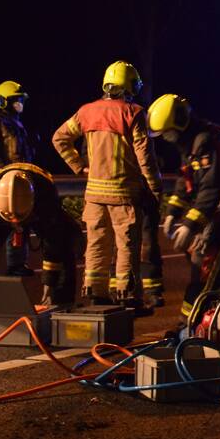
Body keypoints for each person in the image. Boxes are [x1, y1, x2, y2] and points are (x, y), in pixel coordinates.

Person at [148, 93, 220, 328]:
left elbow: (210, 189)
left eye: (168, 133)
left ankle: (188, 325)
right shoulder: (191, 140)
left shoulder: (206, 140)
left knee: (208, 261)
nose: (167, 139)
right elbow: (186, 179)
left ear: (180, 123)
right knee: (209, 260)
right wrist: (173, 211)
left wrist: (190, 226)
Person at [52, 61, 161, 310]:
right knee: (126, 247)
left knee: (97, 243)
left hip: (94, 195)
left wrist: (79, 166)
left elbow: (59, 139)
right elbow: (145, 156)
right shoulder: (133, 113)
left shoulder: (86, 111)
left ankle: (95, 293)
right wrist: (155, 189)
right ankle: (127, 295)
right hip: (124, 195)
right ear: (128, 85)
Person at [0, 164, 82, 309]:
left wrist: (50, 282)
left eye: (19, 217)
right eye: (10, 217)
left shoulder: (45, 194)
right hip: (1, 216)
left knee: (65, 241)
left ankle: (60, 305)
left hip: (36, 210)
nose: (15, 223)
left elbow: (53, 240)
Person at [0, 80, 35, 277]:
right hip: (2, 181)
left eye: (21, 99)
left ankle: (17, 264)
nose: (20, 103)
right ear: (4, 100)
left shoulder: (16, 122)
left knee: (19, 225)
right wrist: (0, 173)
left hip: (19, 179)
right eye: (16, 99)